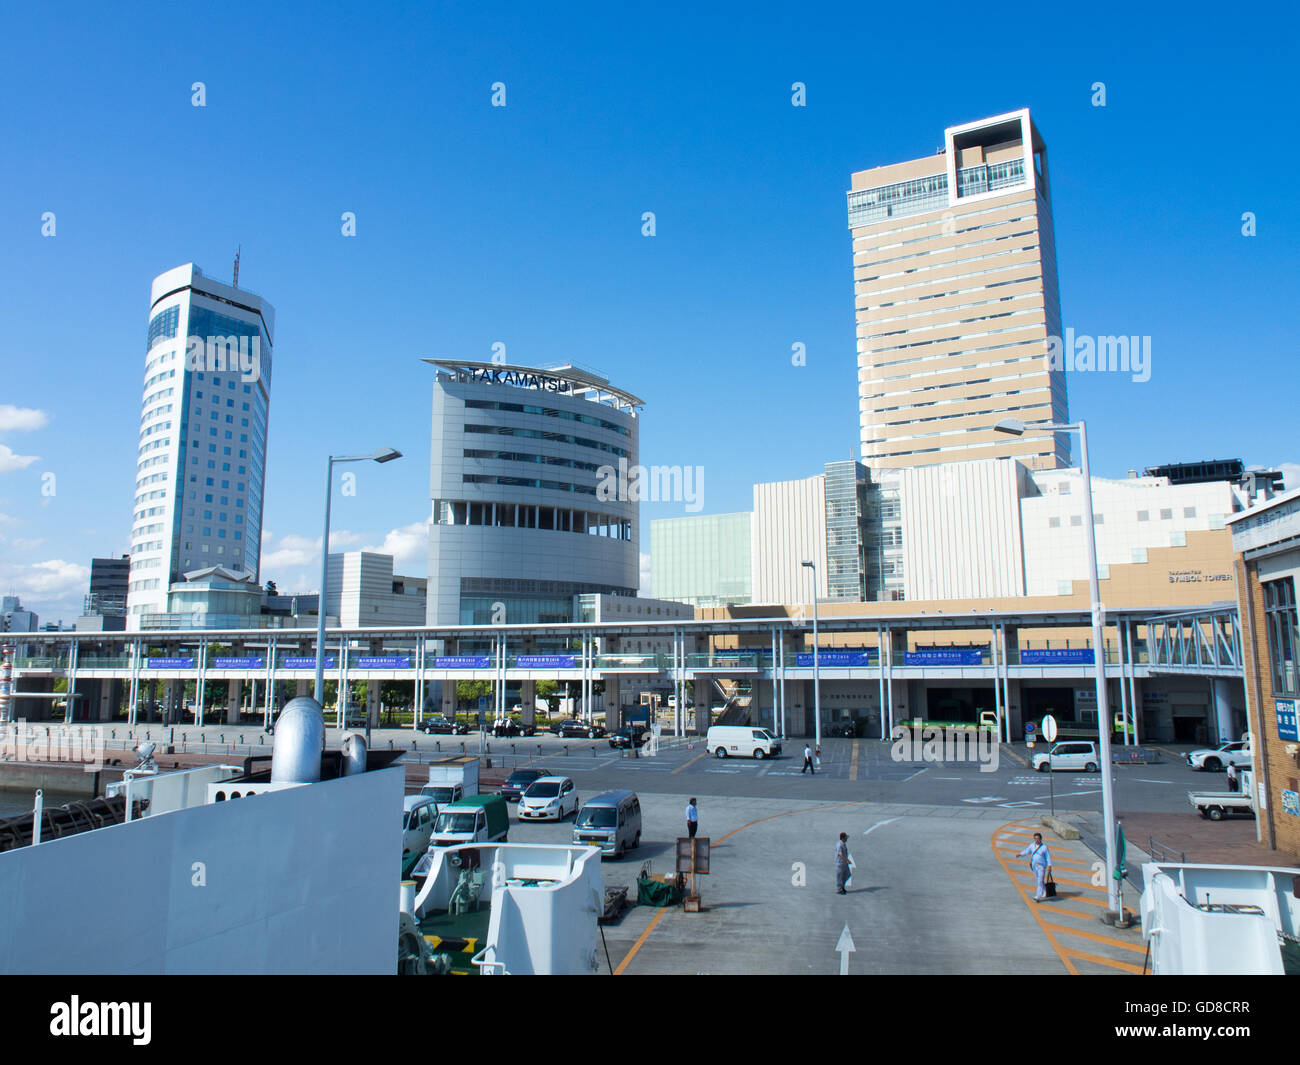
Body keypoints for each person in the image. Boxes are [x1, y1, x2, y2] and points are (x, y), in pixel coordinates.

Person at [1017, 832, 1053, 902]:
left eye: (1038, 838)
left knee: (1039, 881)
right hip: (1034, 865)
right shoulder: (1032, 845)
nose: (1036, 840)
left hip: (1041, 866)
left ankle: (1038, 896)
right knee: (1039, 879)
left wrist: (1049, 865)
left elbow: (1048, 857)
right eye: (1035, 838)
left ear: (1041, 839)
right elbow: (1027, 851)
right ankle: (1044, 891)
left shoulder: (1044, 847)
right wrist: (1020, 854)